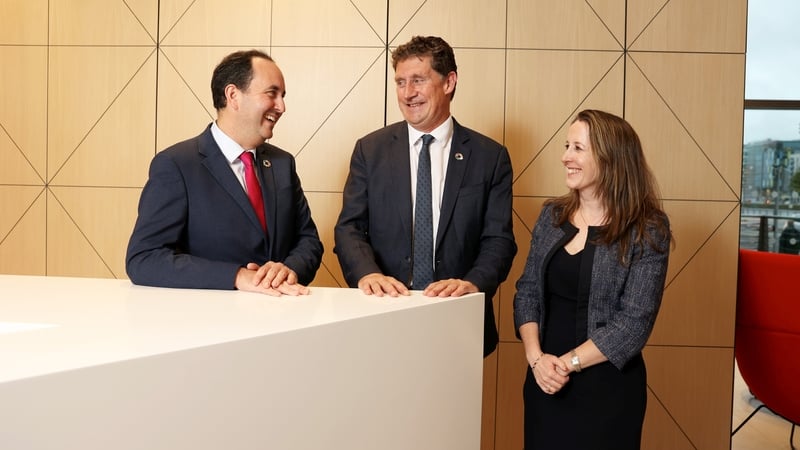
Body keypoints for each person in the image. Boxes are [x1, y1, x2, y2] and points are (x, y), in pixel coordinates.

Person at [334, 35, 517, 357]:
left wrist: (473, 284)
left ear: (449, 82)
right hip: (383, 315)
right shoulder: (370, 150)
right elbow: (349, 228)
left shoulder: (490, 157)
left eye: (418, 80)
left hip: (458, 321)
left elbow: (498, 240)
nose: (407, 93)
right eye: (401, 82)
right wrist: (368, 273)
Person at [513, 109, 672, 449]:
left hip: (607, 393)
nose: (565, 156)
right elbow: (527, 292)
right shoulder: (551, 215)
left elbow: (634, 323)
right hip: (544, 381)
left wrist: (566, 365)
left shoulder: (648, 228)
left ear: (610, 158)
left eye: (577, 148)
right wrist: (537, 360)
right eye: (566, 146)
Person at [126, 50, 323, 296]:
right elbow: (144, 259)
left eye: (283, 96)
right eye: (272, 94)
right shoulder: (176, 165)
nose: (281, 106)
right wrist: (238, 276)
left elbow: (309, 241)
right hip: (210, 325)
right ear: (233, 96)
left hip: (280, 319)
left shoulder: (283, 163)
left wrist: (288, 269)